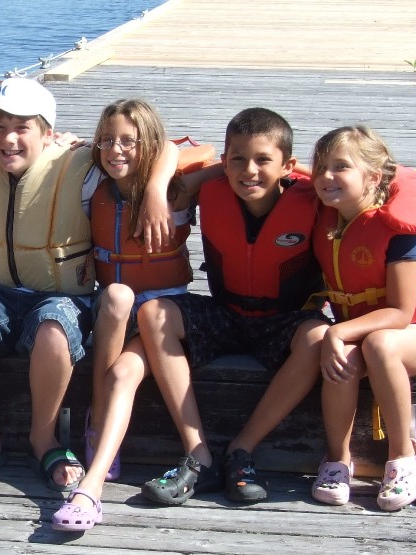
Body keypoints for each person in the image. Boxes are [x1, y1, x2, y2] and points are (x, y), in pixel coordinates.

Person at [0, 80, 178, 494]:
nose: (7, 139)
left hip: (60, 294)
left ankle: (43, 439)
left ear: (47, 132)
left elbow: (168, 148)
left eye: (22, 127)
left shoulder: (83, 162)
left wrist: (155, 188)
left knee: (54, 329)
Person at [136, 107, 330, 506]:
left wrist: (304, 174)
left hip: (284, 320)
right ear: (224, 161)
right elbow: (171, 182)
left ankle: (242, 450)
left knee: (319, 336)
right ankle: (198, 452)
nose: (249, 171)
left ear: (288, 165)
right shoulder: (210, 192)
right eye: (237, 159)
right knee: (154, 313)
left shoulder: (313, 201)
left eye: (263, 160)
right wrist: (209, 174)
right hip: (227, 315)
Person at [51, 99, 218, 531]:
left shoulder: (179, 188)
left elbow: (216, 161)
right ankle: (99, 416)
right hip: (113, 311)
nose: (115, 150)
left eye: (129, 141)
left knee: (125, 374)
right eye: (107, 140)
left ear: (149, 144)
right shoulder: (93, 181)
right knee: (118, 295)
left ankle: (90, 488)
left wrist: (158, 189)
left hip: (163, 316)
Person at [308, 125, 416, 511]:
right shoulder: (325, 218)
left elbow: (401, 313)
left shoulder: (397, 232)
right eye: (320, 167)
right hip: (360, 334)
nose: (325, 177)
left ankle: (404, 457)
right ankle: (338, 460)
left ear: (372, 177)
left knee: (378, 343)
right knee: (344, 360)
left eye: (341, 167)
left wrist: (338, 330)